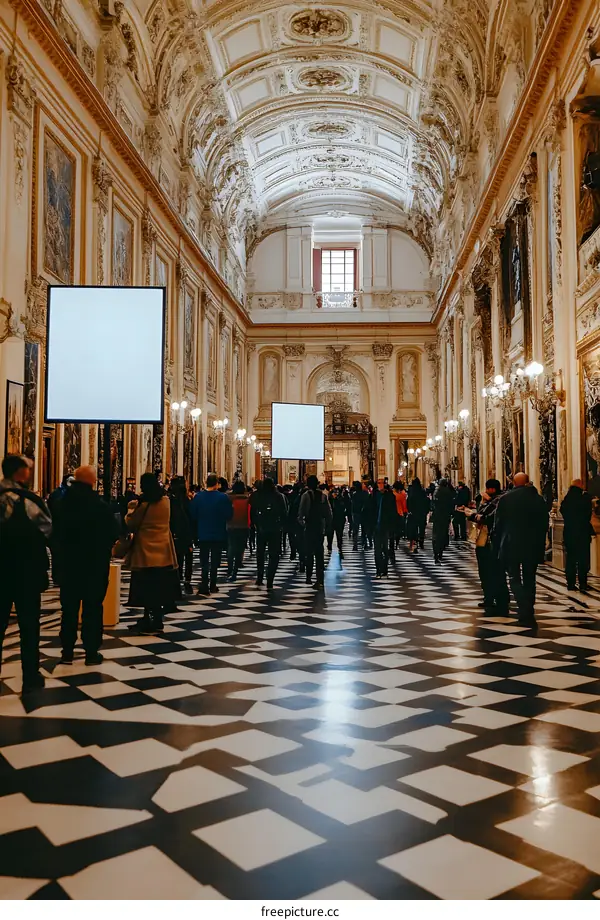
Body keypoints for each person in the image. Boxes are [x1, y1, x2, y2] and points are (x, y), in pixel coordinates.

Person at [52, 466, 119, 664]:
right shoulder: (100, 507)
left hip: (68, 566)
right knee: (93, 609)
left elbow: (53, 534)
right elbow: (112, 534)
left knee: (69, 610)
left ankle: (67, 651)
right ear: (92, 482)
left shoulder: (61, 505)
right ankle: (91, 652)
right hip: (94, 567)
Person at [0, 455, 52, 692]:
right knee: (29, 626)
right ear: (19, 473)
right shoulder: (27, 501)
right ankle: (30, 675)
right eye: (27, 470)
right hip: (25, 572)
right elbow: (47, 528)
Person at [125, 473, 180, 634]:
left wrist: (130, 510)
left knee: (145, 586)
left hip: (145, 551)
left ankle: (150, 618)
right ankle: (155, 617)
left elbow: (131, 523)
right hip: (163, 549)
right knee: (158, 586)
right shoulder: (166, 502)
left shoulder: (142, 505)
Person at [495, 472, 549, 627]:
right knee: (530, 578)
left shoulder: (506, 499)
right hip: (533, 545)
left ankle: (523, 607)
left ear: (513, 482)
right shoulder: (537, 499)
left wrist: (497, 543)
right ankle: (529, 608)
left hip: (512, 544)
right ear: (527, 482)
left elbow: (498, 524)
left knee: (514, 577)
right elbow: (544, 522)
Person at [190, 473, 233, 595]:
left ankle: (204, 584)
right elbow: (229, 515)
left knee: (204, 560)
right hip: (218, 533)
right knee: (215, 560)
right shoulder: (223, 497)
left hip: (203, 533)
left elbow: (193, 515)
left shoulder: (198, 497)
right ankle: (213, 585)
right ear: (217, 484)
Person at [471, 479, 510, 614]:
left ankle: (496, 598)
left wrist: (473, 513)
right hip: (493, 541)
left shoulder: (497, 502)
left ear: (492, 489)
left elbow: (485, 517)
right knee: (492, 571)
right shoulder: (500, 500)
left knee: (490, 571)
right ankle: (492, 597)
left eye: (487, 489)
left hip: (490, 541)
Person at [251, 477, 287, 591]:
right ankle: (270, 578)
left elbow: (252, 511)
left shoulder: (258, 496)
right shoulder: (279, 496)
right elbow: (284, 513)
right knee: (274, 554)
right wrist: (282, 525)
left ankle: (260, 576)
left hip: (262, 528)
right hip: (275, 529)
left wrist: (255, 524)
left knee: (260, 553)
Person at [299, 475, 332, 590]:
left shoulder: (305, 496)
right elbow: (328, 513)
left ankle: (309, 576)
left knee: (309, 552)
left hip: (309, 527)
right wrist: (327, 526)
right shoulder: (323, 496)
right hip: (319, 527)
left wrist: (303, 525)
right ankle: (320, 579)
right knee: (319, 554)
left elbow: (301, 513)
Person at [560, 479, 594, 592]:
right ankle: (583, 583)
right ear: (580, 485)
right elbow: (587, 514)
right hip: (582, 533)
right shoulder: (584, 499)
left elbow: (563, 512)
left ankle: (570, 583)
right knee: (583, 559)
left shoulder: (567, 499)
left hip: (569, 532)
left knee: (571, 559)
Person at [168, 476, 194, 590]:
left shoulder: (169, 501)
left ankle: (176, 581)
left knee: (177, 558)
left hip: (173, 534)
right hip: (185, 534)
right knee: (187, 558)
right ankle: (187, 581)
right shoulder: (187, 501)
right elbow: (191, 519)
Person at [372, 478, 397, 577]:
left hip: (386, 525)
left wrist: (392, 526)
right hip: (376, 526)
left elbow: (393, 512)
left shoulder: (390, 496)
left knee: (385, 549)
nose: (381, 485)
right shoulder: (374, 496)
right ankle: (378, 570)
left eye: (382, 483)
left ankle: (385, 570)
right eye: (379, 483)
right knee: (377, 550)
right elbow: (370, 510)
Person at [227, 480, 250, 581]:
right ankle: (236, 568)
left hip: (231, 526)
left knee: (231, 547)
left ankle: (230, 568)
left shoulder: (229, 498)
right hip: (244, 526)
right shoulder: (247, 499)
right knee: (240, 549)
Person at [431, 478, 455, 563]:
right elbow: (451, 503)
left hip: (437, 516)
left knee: (435, 534)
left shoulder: (436, 491)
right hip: (445, 516)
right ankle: (440, 552)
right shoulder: (448, 492)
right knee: (443, 534)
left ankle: (435, 553)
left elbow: (433, 503)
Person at [407, 477, 429, 552]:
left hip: (414, 513)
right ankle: (421, 541)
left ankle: (415, 542)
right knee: (422, 528)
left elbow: (409, 501)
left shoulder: (412, 492)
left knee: (414, 528)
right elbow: (426, 501)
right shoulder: (422, 491)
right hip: (422, 513)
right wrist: (426, 511)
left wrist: (409, 510)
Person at [350, 480, 369, 550]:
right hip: (364, 513)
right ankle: (365, 543)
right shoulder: (365, 493)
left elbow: (353, 505)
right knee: (364, 529)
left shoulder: (355, 494)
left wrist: (352, 513)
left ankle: (355, 545)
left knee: (356, 529)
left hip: (356, 513)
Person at [330, 487, 347, 558]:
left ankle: (333, 545)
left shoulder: (333, 500)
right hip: (338, 519)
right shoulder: (340, 500)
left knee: (335, 533)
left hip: (335, 519)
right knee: (338, 534)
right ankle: (336, 546)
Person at [392, 481, 408, 547]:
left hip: (392, 513)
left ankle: (392, 543)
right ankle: (397, 543)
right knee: (398, 529)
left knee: (392, 529)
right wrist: (405, 512)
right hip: (400, 513)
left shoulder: (392, 494)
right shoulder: (402, 495)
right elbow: (404, 505)